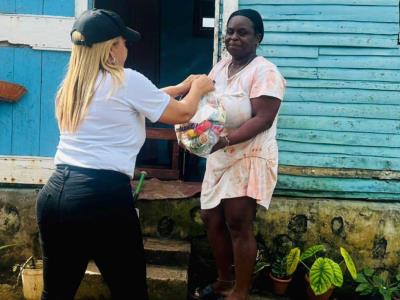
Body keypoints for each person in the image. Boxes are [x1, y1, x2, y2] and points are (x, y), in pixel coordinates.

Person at [35, 8, 214, 300]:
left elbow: (144, 98)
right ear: (110, 50)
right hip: (102, 198)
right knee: (130, 291)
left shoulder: (72, 87)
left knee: (56, 293)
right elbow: (183, 112)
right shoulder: (126, 80)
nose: (127, 47)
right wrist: (199, 88)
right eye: (123, 42)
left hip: (55, 195)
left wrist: (182, 86)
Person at [193, 9, 286, 300]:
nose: (233, 37)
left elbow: (263, 118)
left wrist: (226, 140)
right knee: (211, 218)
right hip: (220, 153)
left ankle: (241, 292)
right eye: (230, 31)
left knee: (237, 221)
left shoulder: (265, 72)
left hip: (249, 154)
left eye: (242, 32)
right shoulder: (220, 68)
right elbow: (207, 104)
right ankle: (223, 280)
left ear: (258, 38)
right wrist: (195, 132)